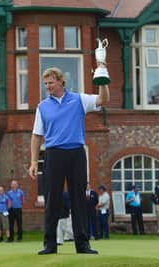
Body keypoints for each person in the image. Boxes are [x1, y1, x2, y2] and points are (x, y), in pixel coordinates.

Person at [28, 66, 109, 255]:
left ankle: (82, 244)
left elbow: (103, 99)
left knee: (79, 199)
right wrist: (33, 162)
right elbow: (36, 136)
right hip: (54, 154)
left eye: (51, 82)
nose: (47, 86)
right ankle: (50, 244)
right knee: (52, 200)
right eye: (45, 83)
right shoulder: (42, 107)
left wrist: (103, 82)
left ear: (61, 82)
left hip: (76, 153)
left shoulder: (79, 99)